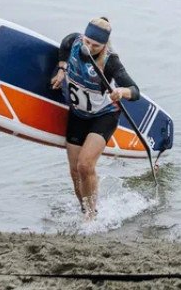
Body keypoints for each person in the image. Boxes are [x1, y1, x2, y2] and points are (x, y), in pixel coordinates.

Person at [50, 17, 140, 218]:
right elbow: (64, 44)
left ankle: (92, 216)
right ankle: (85, 210)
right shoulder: (75, 42)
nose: (89, 47)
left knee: (85, 165)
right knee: (74, 171)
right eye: (87, 42)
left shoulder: (110, 61)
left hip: (104, 116)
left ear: (105, 45)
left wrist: (121, 92)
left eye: (95, 45)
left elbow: (135, 91)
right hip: (78, 115)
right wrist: (62, 69)